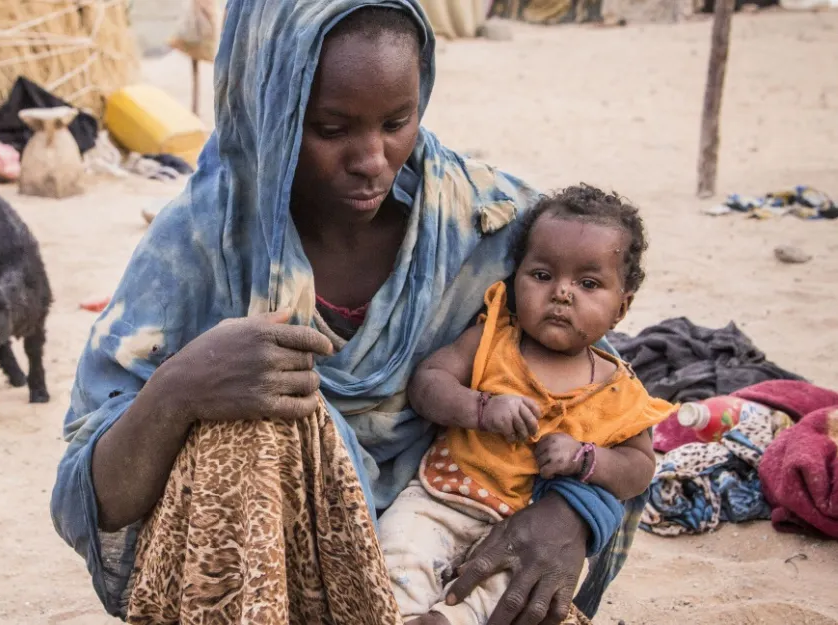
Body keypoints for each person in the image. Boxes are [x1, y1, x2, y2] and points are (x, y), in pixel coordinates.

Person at [51, 1, 644, 623]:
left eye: (398, 121)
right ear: (268, 106)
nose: (372, 160)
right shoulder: (201, 247)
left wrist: (573, 513)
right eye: (331, 129)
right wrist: (179, 391)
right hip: (270, 592)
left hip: (448, 566)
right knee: (250, 426)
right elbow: (87, 499)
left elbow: (604, 395)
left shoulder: (489, 225)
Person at [381, 185, 673, 625]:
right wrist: (481, 408)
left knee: (502, 592)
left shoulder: (622, 392)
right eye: (542, 275)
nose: (562, 293)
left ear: (621, 309)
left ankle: (444, 621)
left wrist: (586, 459)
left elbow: (639, 469)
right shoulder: (493, 339)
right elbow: (428, 382)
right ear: (515, 279)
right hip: (440, 500)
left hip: (523, 527)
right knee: (399, 552)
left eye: (588, 284)